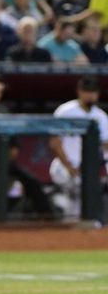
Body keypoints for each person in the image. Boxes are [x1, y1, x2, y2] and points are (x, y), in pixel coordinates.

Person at [49, 76, 108, 218]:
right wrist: (69, 166)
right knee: (75, 193)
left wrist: (95, 166)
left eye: (93, 91)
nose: (90, 95)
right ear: (79, 92)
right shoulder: (65, 111)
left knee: (83, 200)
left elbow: (105, 145)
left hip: (88, 166)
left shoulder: (100, 116)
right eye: (87, 91)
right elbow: (54, 142)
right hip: (65, 165)